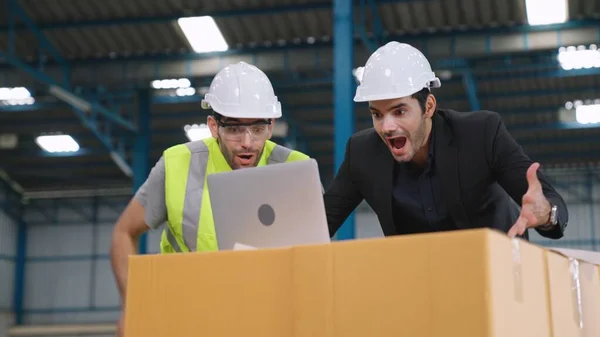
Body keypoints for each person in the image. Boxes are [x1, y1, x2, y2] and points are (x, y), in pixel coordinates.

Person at [109, 61, 310, 336]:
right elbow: (124, 232)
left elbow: (316, 257)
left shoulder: (295, 169)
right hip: (184, 320)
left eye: (258, 129)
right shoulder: (177, 164)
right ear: (214, 126)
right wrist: (131, 306)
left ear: (271, 125)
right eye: (235, 129)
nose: (248, 142)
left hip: (265, 321)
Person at [324, 41, 568, 240]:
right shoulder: (362, 153)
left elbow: (547, 200)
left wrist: (547, 215)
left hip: (497, 272)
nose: (387, 127)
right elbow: (321, 222)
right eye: (377, 114)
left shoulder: (481, 133)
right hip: (423, 281)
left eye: (399, 112)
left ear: (428, 106)